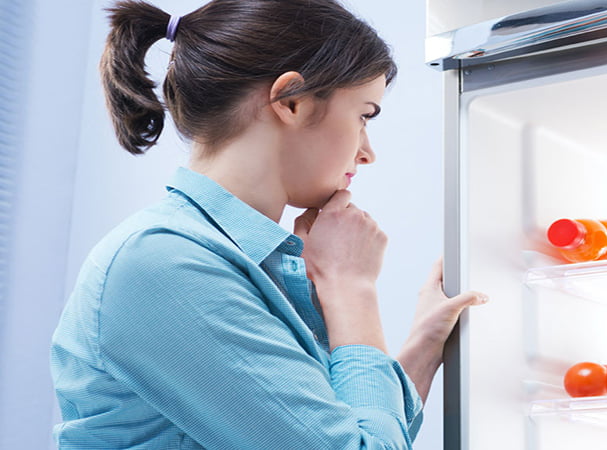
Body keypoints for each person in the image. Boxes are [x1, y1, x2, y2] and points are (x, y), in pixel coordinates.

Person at [49, 0, 487, 448]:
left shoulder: (238, 262)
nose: (367, 152)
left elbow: (351, 428)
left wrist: (425, 346)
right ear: (291, 101)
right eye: (363, 116)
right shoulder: (164, 265)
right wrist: (352, 289)